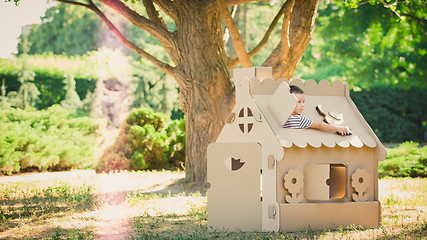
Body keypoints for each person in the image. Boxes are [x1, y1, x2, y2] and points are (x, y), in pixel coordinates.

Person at [283, 85, 351, 136]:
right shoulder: (299, 119)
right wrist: (337, 128)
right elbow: (319, 125)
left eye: (303, 102)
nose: (303, 105)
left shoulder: (281, 116)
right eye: (299, 102)